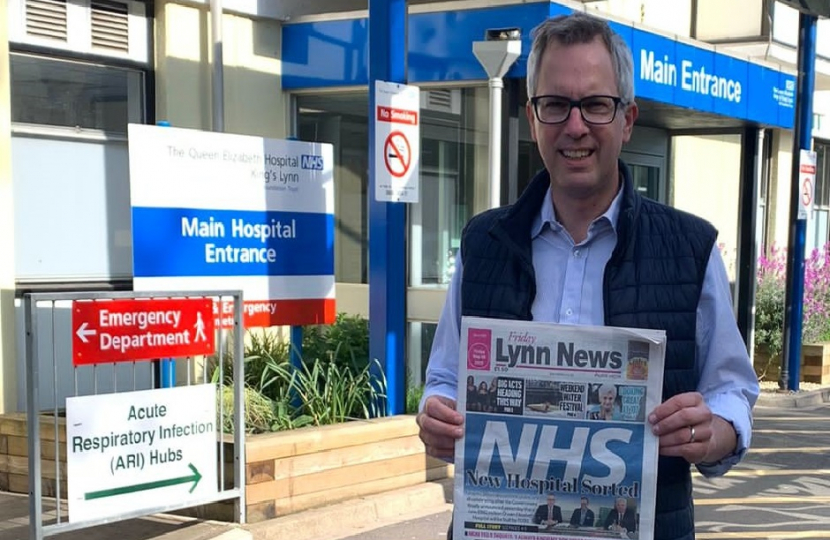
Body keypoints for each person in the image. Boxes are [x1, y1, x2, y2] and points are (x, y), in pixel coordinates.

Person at [415, 10, 760, 540]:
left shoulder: (692, 249)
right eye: (555, 104)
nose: (575, 126)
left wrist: (713, 431)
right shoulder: (482, 244)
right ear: (532, 119)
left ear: (627, 119)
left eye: (595, 104)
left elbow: (731, 390)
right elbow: (445, 377)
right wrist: (436, 413)